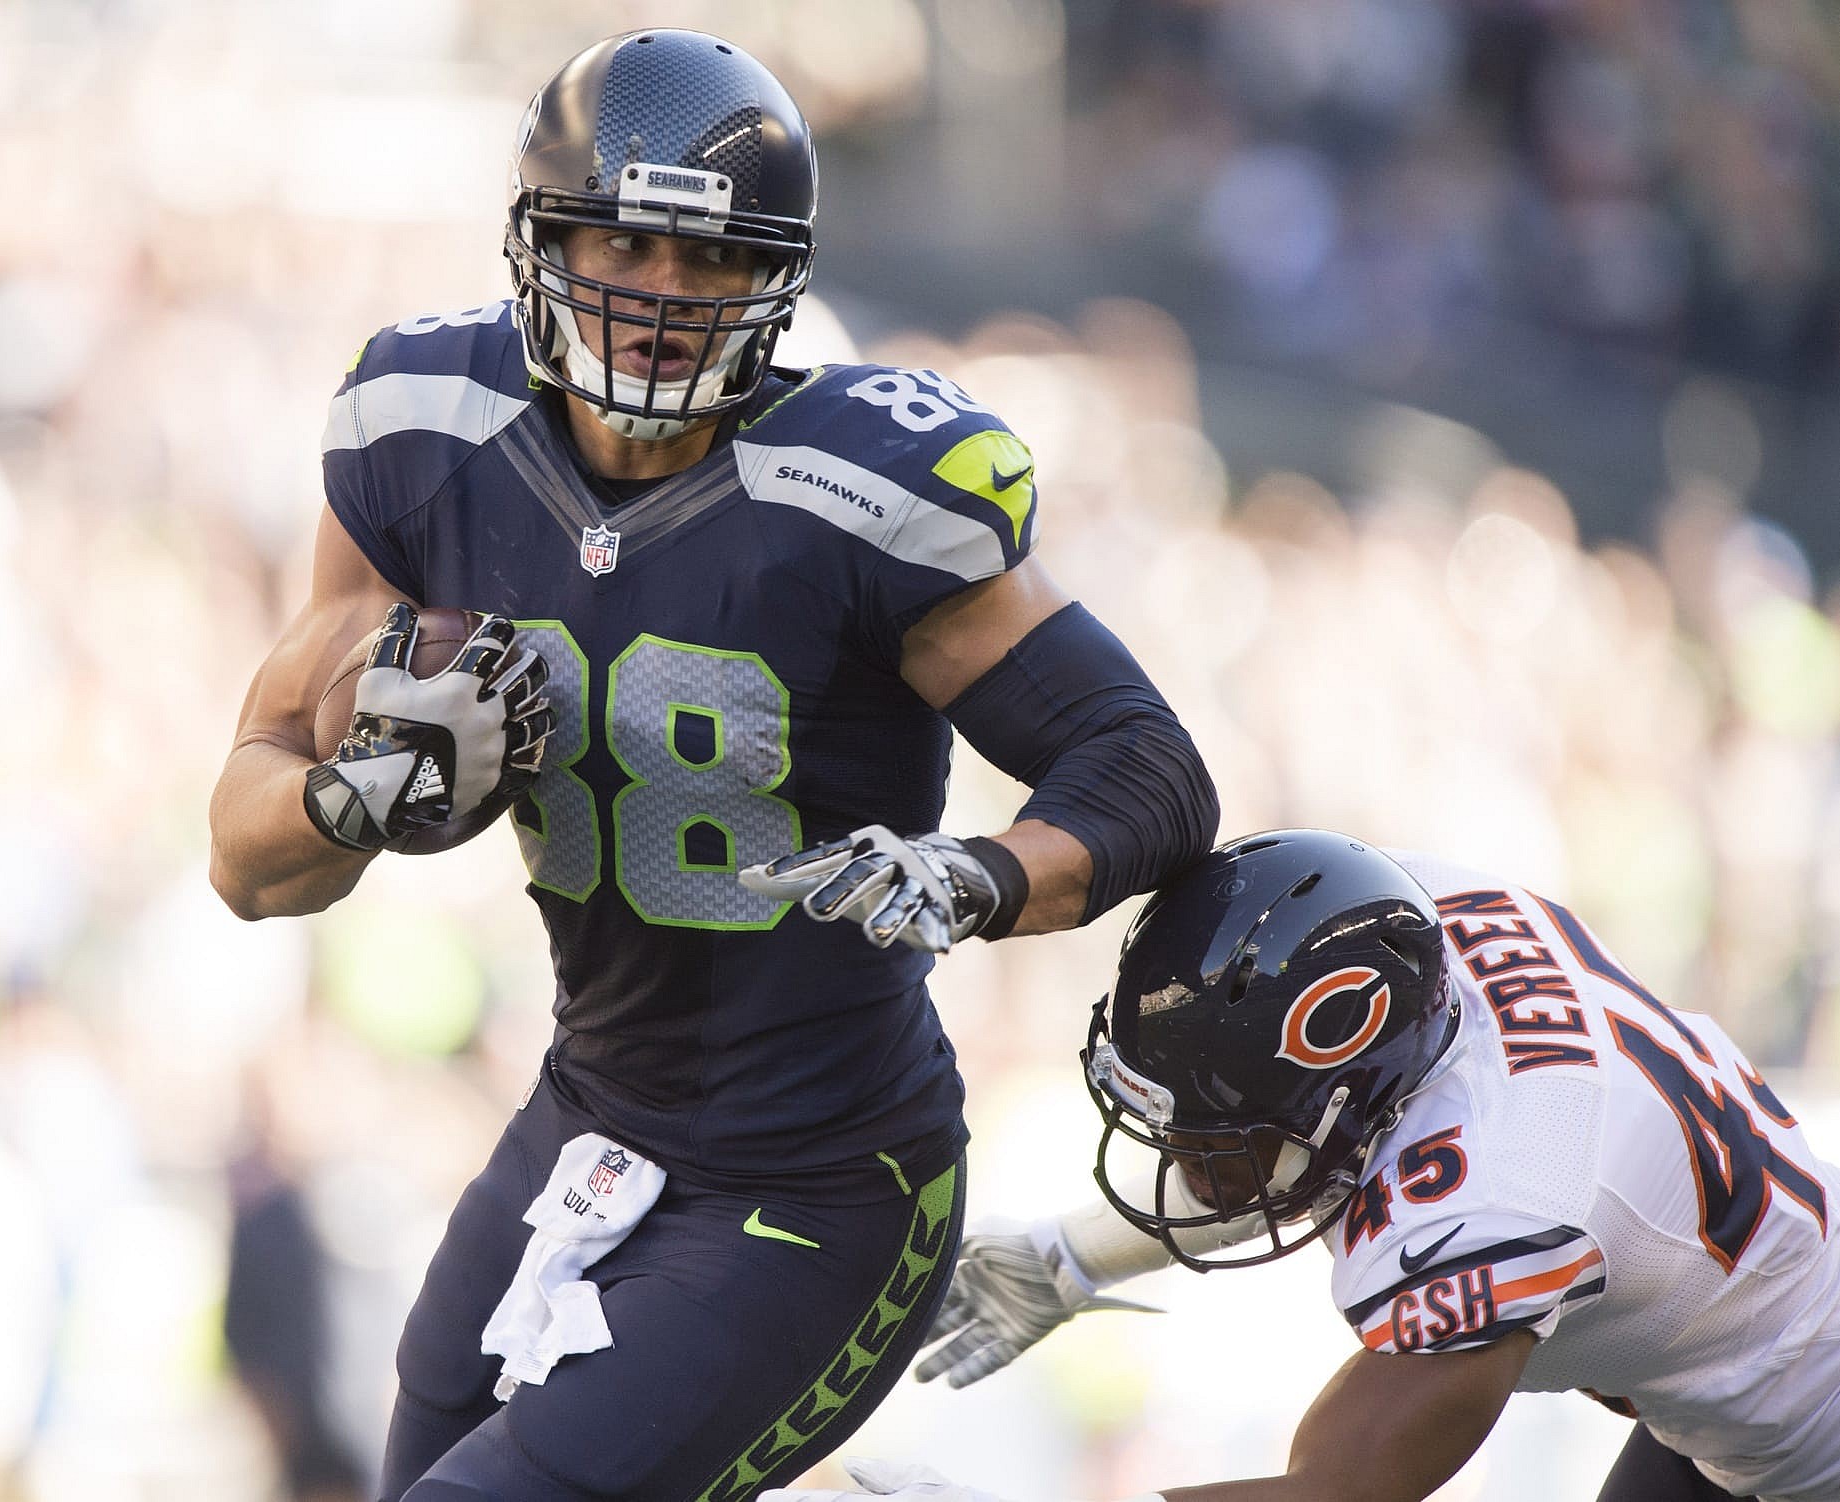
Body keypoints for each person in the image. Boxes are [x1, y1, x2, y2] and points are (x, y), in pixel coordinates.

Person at [207, 28, 1219, 1502]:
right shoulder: (427, 433)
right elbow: (244, 855)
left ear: (780, 280)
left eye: (715, 261)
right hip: (590, 1112)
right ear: (541, 235)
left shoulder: (857, 495)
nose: (664, 300)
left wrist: (973, 876)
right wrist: (349, 799)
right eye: (625, 240)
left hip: (819, 1176)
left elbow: (1146, 768)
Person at [766, 830, 1840, 1502]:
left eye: (1207, 1148)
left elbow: (1332, 1491)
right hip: (1729, 1381)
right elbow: (1301, 1135)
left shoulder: (1509, 1194)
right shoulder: (1411, 915)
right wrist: (1070, 1254)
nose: (1185, 1165)